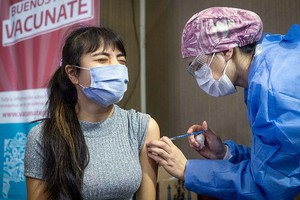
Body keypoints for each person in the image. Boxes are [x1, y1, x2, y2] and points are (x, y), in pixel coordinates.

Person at [147, 6, 300, 199]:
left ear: (227, 50)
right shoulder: (266, 64)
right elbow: (273, 162)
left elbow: (268, 187)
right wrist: (225, 153)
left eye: (200, 64)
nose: (199, 75)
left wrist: (187, 169)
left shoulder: (274, 92)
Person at [24, 26, 160, 200]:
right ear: (73, 73)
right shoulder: (42, 136)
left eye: (121, 60)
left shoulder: (143, 126)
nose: (116, 67)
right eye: (103, 59)